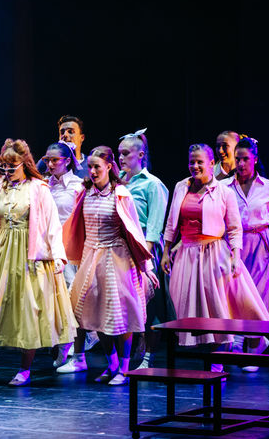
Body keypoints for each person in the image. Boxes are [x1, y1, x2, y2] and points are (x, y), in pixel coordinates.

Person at [0, 139, 77, 387]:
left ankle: (27, 367)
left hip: (31, 253)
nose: (8, 171)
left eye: (13, 166)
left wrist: (57, 256)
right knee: (4, 305)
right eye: (4, 166)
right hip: (3, 250)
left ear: (24, 164)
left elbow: (52, 224)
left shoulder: (38, 188)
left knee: (30, 308)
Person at [160, 144, 269, 358]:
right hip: (187, 254)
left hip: (213, 253)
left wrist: (236, 256)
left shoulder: (224, 192)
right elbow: (172, 222)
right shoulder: (181, 187)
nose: (195, 166)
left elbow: (234, 228)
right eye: (191, 162)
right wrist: (166, 250)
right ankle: (205, 360)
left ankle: (221, 360)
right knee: (190, 308)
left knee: (218, 307)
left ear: (211, 163)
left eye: (199, 162)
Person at [59, 146, 157, 386]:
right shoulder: (85, 192)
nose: (92, 171)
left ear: (109, 167)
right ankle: (112, 364)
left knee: (119, 316)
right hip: (91, 257)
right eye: (90, 167)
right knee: (93, 316)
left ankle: (124, 369)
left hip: (117, 259)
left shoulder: (120, 194)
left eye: (97, 167)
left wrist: (146, 266)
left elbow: (134, 230)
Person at [223, 138, 269, 370]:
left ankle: (255, 347)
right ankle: (237, 340)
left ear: (255, 159)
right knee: (236, 293)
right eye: (238, 159)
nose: (241, 164)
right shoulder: (225, 186)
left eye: (245, 159)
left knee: (260, 293)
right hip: (234, 243)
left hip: (260, 242)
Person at [117, 129, 172, 370]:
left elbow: (155, 225)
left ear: (140, 155)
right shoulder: (118, 180)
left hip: (144, 251)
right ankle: (123, 357)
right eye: (119, 153)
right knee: (123, 304)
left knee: (150, 305)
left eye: (126, 153)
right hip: (121, 248)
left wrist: (145, 257)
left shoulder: (153, 184)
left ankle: (148, 357)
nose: (121, 158)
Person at [42, 141, 96, 367]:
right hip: (48, 250)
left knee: (71, 300)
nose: (50, 164)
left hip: (70, 250)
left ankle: (75, 347)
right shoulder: (44, 185)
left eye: (55, 160)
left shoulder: (77, 185)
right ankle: (62, 344)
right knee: (53, 301)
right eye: (47, 160)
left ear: (67, 161)